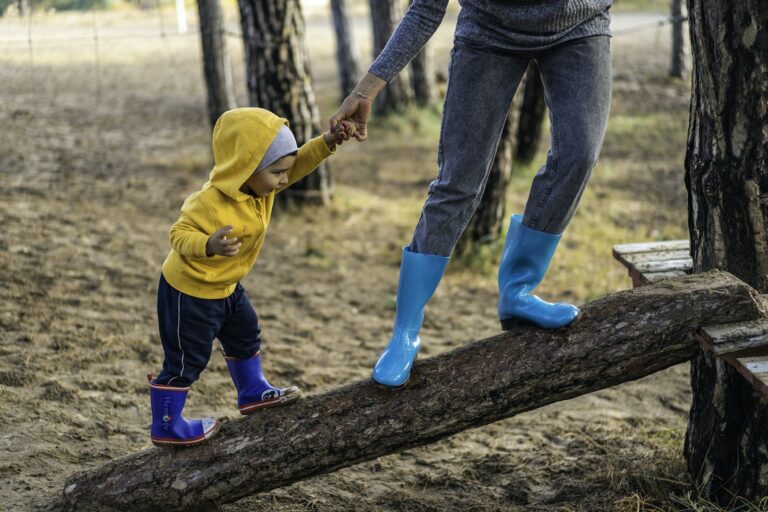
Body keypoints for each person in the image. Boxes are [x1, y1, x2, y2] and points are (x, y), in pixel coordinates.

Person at [330, 1, 613, 388]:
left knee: (578, 157)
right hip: (489, 31)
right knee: (457, 183)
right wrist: (368, 88)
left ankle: (518, 290)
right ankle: (404, 333)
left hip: (581, 23)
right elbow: (426, 9)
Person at [149, 107, 356, 447]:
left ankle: (252, 391)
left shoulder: (263, 186)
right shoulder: (208, 203)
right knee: (187, 359)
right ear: (245, 167)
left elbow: (298, 163)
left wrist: (328, 141)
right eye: (277, 172)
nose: (284, 180)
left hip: (228, 287)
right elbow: (177, 234)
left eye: (284, 172)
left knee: (246, 333)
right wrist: (208, 244)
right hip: (191, 292)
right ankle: (166, 424)